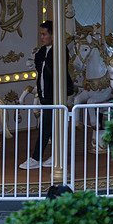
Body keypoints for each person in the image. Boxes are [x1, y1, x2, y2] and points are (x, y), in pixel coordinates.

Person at [23, 21, 72, 171]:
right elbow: (40, 66)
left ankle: (36, 157)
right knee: (48, 127)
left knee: (45, 126)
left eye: (44, 34)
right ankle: (56, 155)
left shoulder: (59, 51)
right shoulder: (42, 52)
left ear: (52, 35)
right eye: (41, 34)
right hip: (45, 94)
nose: (42, 37)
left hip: (55, 95)